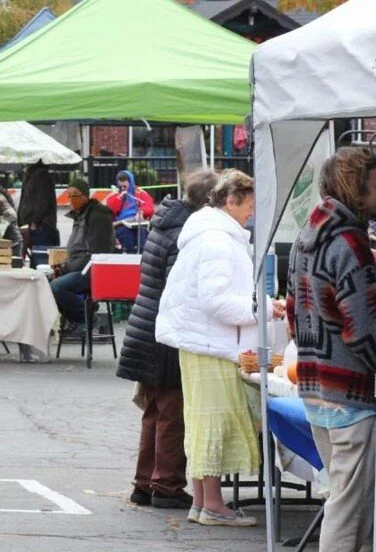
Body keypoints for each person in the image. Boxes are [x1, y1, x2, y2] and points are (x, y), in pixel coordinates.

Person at [287, 147, 376, 551]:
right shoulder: (348, 242)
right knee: (348, 504)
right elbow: (364, 332)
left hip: (315, 384)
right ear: (355, 188)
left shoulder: (307, 235)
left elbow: (293, 316)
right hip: (349, 392)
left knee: (353, 499)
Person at [155, 170, 286, 527]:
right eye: (249, 205)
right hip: (212, 343)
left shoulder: (209, 234)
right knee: (214, 422)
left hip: (203, 341)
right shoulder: (217, 240)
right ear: (231, 200)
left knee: (202, 423)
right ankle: (212, 504)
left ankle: (203, 503)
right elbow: (216, 301)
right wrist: (262, 308)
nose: (252, 212)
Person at [116, 170, 219, 510]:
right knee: (172, 411)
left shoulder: (166, 222)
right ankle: (167, 484)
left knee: (155, 409)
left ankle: (145, 482)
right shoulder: (185, 232)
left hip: (146, 326)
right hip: (165, 332)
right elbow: (182, 288)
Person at [49, 178, 117, 333]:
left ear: (85, 196)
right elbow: (78, 250)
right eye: (69, 194)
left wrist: (65, 268)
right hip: (80, 268)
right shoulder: (80, 215)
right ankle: (76, 318)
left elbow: (95, 255)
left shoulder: (98, 215)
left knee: (56, 288)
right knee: (44, 284)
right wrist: (63, 268)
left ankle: (86, 319)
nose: (71, 198)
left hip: (94, 271)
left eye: (75, 194)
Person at [17, 162, 60, 263]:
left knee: (41, 261)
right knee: (36, 261)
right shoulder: (30, 174)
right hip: (33, 227)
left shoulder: (41, 175)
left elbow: (43, 202)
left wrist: (35, 222)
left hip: (41, 227)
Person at [105, 170, 156, 253]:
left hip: (138, 222)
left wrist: (141, 212)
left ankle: (142, 255)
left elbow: (150, 207)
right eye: (120, 186)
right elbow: (110, 210)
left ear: (130, 183)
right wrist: (119, 198)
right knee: (127, 237)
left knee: (142, 235)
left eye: (125, 186)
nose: (122, 188)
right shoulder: (115, 195)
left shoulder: (140, 193)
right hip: (121, 224)